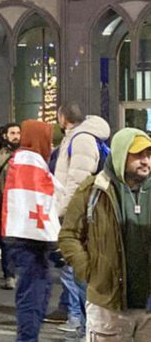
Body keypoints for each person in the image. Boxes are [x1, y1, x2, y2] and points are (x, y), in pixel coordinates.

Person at [59, 128, 151, 341]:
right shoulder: (94, 190)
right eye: (137, 155)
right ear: (120, 154)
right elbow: (69, 235)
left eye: (148, 155)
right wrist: (91, 271)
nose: (145, 161)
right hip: (108, 306)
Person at [49, 103, 111, 334]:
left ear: (63, 118)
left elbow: (77, 182)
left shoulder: (82, 139)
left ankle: (84, 323)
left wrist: (62, 211)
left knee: (75, 269)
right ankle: (78, 318)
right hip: (82, 212)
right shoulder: (78, 137)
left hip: (80, 214)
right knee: (73, 269)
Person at [1, 120, 60, 342]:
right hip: (30, 239)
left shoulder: (24, 159)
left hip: (26, 237)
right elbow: (43, 198)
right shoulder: (31, 161)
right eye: (48, 138)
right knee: (32, 295)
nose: (51, 144)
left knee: (38, 292)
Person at [0, 122, 21, 289]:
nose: (16, 136)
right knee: (6, 240)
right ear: (6, 136)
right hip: (3, 203)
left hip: (21, 203)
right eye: (12, 133)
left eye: (18, 133)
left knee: (21, 240)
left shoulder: (25, 154)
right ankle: (9, 275)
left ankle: (20, 271)